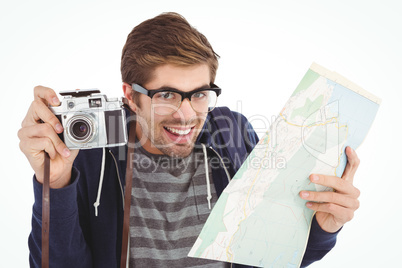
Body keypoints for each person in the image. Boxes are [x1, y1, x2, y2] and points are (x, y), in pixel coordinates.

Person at [18, 12, 361, 268]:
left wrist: (321, 227)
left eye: (199, 94)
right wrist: (56, 182)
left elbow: (272, 254)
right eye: (166, 94)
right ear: (129, 95)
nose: (186, 115)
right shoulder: (91, 155)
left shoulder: (234, 134)